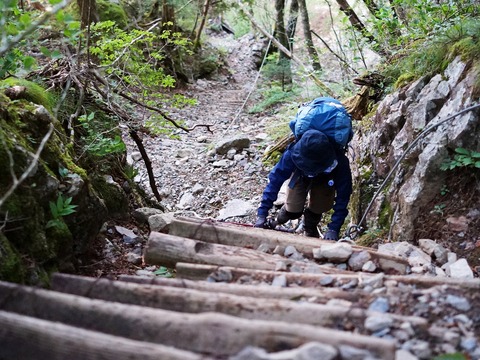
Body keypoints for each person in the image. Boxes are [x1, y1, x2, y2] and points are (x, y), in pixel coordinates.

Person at [254, 129, 352, 240]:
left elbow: (344, 194)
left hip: (325, 179)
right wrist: (262, 214)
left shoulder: (339, 161)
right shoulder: (291, 154)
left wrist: (334, 228)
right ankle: (278, 220)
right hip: (300, 176)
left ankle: (310, 227)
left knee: (319, 207)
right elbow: (275, 181)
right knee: (292, 210)